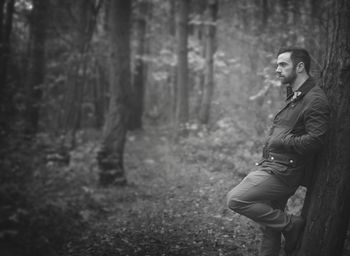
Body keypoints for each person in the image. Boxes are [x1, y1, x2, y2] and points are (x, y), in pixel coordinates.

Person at [226, 47, 330, 256]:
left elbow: (317, 140)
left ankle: (291, 225)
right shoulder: (296, 96)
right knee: (270, 228)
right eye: (277, 65)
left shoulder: (314, 99)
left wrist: (285, 140)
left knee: (236, 199)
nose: (277, 69)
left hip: (284, 173)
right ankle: (285, 226)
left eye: (283, 64)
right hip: (274, 166)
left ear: (300, 66)